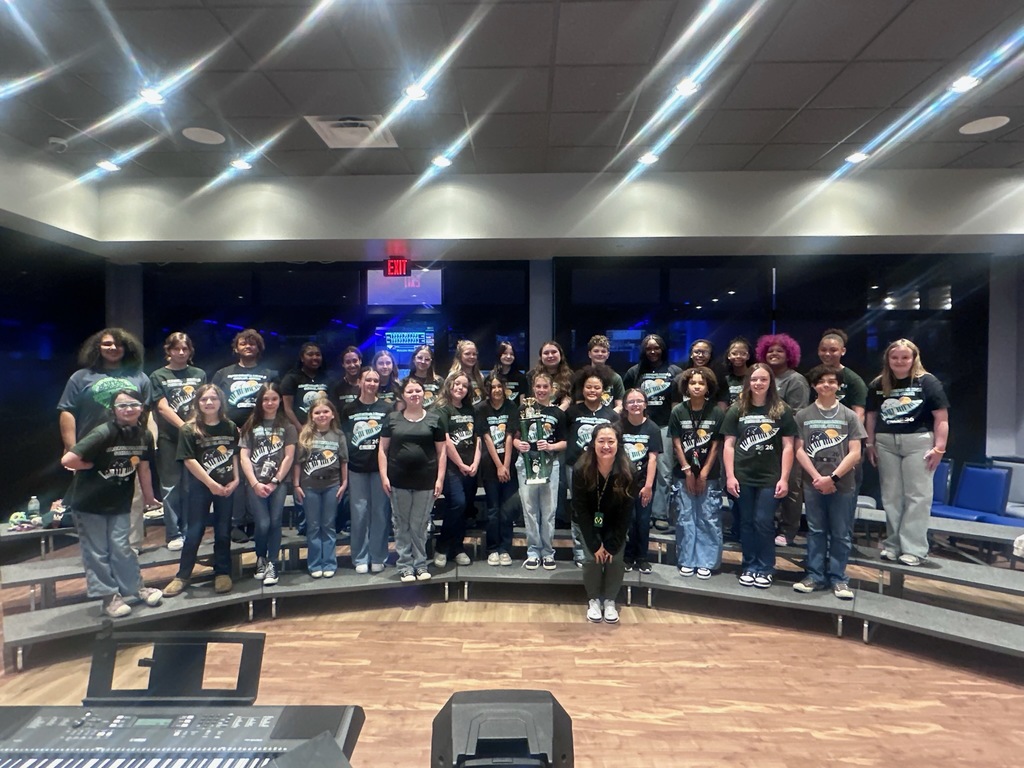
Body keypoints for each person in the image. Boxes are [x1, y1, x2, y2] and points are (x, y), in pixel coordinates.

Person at [60, 389, 163, 618]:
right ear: (113, 410)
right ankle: (109, 598)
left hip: (119, 501)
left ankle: (136, 589)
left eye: (133, 404)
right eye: (122, 406)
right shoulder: (103, 432)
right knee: (97, 552)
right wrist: (91, 466)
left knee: (123, 549)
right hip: (90, 503)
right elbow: (68, 460)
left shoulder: (145, 436)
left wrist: (148, 496)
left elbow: (143, 467)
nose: (128, 409)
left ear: (142, 408)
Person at [58, 328, 154, 553]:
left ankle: (130, 550)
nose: (113, 348)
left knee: (134, 498)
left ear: (127, 348)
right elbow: (67, 412)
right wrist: (72, 448)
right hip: (92, 451)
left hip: (127, 450)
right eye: (107, 344)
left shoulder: (139, 377)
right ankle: (97, 552)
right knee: (92, 503)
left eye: (119, 345)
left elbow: (146, 413)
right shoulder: (81, 377)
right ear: (97, 348)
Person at [865, 339, 950, 566]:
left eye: (905, 357)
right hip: (885, 442)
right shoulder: (878, 383)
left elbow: (941, 418)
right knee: (891, 497)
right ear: (888, 359)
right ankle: (893, 545)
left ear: (914, 358)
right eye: (895, 357)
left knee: (918, 497)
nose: (900, 361)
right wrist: (869, 443)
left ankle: (914, 549)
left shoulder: (927, 382)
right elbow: (871, 416)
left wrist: (940, 448)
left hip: (918, 442)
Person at [721, 363, 797, 589]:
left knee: (763, 522)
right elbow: (728, 445)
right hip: (743, 476)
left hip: (769, 477)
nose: (758, 383)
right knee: (745, 522)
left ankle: (765, 568)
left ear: (770, 382)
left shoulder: (781, 409)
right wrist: (730, 476)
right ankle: (749, 565)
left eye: (763, 379)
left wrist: (784, 478)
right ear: (748, 382)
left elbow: (788, 447)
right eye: (754, 379)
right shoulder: (738, 409)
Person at [793, 365, 866, 600]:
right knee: (815, 531)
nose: (827, 385)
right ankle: (815, 576)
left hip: (842, 484)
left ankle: (839, 579)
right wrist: (818, 478)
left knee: (841, 533)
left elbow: (855, 452)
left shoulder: (849, 415)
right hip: (813, 483)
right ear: (814, 385)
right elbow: (799, 450)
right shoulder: (803, 415)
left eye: (832, 381)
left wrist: (832, 478)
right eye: (822, 381)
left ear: (838, 385)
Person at [163, 383, 240, 597]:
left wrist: (236, 479)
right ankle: (182, 575)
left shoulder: (230, 427)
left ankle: (223, 573)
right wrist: (211, 484)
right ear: (198, 402)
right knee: (194, 531)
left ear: (220, 402)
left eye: (213, 399)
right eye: (204, 399)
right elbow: (189, 460)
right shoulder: (189, 429)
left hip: (226, 487)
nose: (209, 402)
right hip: (200, 487)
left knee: (224, 530)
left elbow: (234, 455)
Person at [212, 329, 278, 543]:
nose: (248, 346)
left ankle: (257, 521)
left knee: (259, 476)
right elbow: (216, 404)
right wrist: (232, 427)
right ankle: (237, 522)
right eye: (243, 343)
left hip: (262, 433)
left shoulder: (270, 374)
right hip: (232, 433)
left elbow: (274, 404)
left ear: (259, 347)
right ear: (236, 347)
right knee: (238, 479)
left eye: (253, 343)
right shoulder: (223, 374)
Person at [378, 377, 447, 582]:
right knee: (402, 524)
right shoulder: (392, 419)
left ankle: (420, 563)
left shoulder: (435, 419)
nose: (414, 394)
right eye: (410, 391)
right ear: (403, 395)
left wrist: (439, 479)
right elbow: (382, 449)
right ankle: (405, 565)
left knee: (420, 524)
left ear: (424, 393)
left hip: (426, 481)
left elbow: (442, 452)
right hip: (398, 480)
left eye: (418, 390)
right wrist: (384, 476)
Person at [572, 424, 634, 624]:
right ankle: (593, 600)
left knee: (615, 559)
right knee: (592, 559)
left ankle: (609, 600)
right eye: (601, 441)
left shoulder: (628, 470)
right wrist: (595, 543)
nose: (606, 446)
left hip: (615, 523)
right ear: (593, 444)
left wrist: (612, 544)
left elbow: (626, 512)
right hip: (588, 522)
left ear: (618, 444)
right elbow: (580, 510)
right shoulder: (580, 469)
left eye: (611, 441)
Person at [149, 332, 205, 551]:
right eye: (176, 349)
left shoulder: (199, 374)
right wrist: (185, 427)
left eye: (185, 349)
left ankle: (192, 530)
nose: (181, 353)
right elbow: (161, 407)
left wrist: (193, 428)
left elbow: (205, 402)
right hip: (169, 439)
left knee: (193, 486)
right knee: (171, 487)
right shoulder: (158, 376)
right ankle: (173, 533)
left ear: (190, 351)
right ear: (168, 350)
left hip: (195, 439)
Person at [669, 367, 726, 579]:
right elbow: (676, 442)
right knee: (685, 517)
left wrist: (703, 473)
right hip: (683, 472)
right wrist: (687, 470)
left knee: (708, 517)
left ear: (707, 387)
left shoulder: (716, 412)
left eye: (701, 384)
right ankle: (686, 559)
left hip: (708, 474)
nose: (696, 386)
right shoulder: (678, 411)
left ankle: (706, 561)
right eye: (693, 383)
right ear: (686, 386)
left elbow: (715, 445)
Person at [622, 333, 681, 532]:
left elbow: (676, 403)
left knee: (663, 472)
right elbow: (627, 400)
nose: (653, 351)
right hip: (637, 427)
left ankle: (659, 514)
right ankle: (639, 512)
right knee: (635, 470)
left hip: (663, 427)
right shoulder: (634, 372)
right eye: (649, 348)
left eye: (656, 348)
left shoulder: (674, 371)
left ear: (663, 349)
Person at [239, 383, 297, 587]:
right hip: (255, 483)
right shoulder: (251, 425)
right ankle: (260, 557)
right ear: (260, 401)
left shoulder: (287, 426)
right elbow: (244, 457)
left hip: (277, 483)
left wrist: (274, 481)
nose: (270, 403)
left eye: (274, 398)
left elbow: (289, 457)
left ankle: (272, 562)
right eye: (266, 399)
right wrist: (254, 483)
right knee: (262, 523)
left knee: (275, 522)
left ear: (280, 400)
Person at [756, 332, 809, 546]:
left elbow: (797, 414)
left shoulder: (796, 380)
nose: (774, 354)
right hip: (764, 443)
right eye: (770, 351)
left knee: (791, 486)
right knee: (770, 485)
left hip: (789, 441)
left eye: (779, 351)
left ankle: (788, 530)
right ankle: (768, 526)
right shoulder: (762, 377)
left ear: (789, 354)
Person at [512, 372, 567, 570]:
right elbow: (514, 436)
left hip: (550, 464)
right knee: (530, 509)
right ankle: (533, 551)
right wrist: (520, 445)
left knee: (549, 510)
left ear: (552, 389)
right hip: (526, 463)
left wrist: (550, 447)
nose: (542, 390)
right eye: (538, 386)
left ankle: (548, 552)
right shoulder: (523, 409)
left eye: (545, 386)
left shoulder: (557, 413)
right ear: (533, 388)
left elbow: (564, 442)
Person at [341, 367, 394, 573]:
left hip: (380, 469)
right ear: (360, 382)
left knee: (380, 513)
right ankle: (360, 556)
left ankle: (378, 555)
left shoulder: (387, 408)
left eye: (375, 380)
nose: (372, 384)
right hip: (356, 467)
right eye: (368, 380)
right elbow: (343, 441)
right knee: (359, 513)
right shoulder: (348, 409)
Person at [566, 366, 619, 565]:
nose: (592, 391)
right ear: (582, 388)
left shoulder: (611, 415)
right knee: (579, 509)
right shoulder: (572, 412)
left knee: (598, 508)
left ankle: (597, 546)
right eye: (589, 387)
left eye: (596, 387)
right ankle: (579, 550)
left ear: (603, 390)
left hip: (601, 469)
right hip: (575, 467)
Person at [293, 397, 348, 578]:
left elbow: (343, 462)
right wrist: (296, 484)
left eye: (325, 411)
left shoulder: (339, 435)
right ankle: (315, 563)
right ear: (311, 416)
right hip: (310, 486)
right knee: (314, 526)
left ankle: (330, 562)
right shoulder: (305, 436)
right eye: (317, 412)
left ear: (332, 414)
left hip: (332, 485)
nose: (322, 415)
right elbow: (298, 463)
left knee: (328, 525)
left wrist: (344, 483)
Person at [434, 371, 481, 567]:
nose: (460, 388)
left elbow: (478, 437)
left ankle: (458, 548)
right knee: (458, 503)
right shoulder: (442, 409)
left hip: (471, 466)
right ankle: (442, 546)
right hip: (452, 466)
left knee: (465, 508)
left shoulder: (471, 409)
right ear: (449, 385)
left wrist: (475, 463)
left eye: (464, 385)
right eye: (457, 384)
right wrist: (461, 464)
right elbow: (445, 440)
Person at [477, 370, 519, 566]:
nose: (496, 390)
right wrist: (498, 466)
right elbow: (486, 438)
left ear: (504, 388)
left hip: (509, 466)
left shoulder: (512, 407)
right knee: (493, 509)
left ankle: (505, 549)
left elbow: (510, 436)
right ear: (488, 389)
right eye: (492, 387)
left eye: (499, 386)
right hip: (489, 466)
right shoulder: (481, 409)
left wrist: (506, 465)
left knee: (506, 510)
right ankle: (492, 549)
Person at [620, 389, 662, 573]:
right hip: (623, 483)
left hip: (644, 482)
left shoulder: (652, 428)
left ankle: (642, 557)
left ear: (645, 404)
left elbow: (653, 459)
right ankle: (628, 556)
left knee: (643, 521)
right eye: (631, 401)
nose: (635, 405)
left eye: (639, 401)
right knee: (629, 521)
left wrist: (648, 486)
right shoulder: (618, 426)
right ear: (625, 405)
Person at [280, 342, 330, 431]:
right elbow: (287, 409)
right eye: (310, 354)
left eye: (318, 355)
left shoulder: (327, 378)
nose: (314, 357)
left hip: (323, 429)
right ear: (302, 358)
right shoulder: (291, 378)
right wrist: (301, 430)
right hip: (299, 429)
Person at [529, 340, 573, 410]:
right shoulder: (531, 375)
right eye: (546, 353)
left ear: (561, 355)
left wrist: (557, 413)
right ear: (541, 357)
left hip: (562, 416)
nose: (550, 355)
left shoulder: (571, 376)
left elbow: (569, 401)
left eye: (554, 352)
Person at [585, 335, 624, 410]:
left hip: (609, 420)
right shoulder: (582, 376)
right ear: (589, 354)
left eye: (603, 351)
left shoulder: (616, 378)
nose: (600, 354)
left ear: (608, 355)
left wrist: (609, 416)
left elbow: (620, 405)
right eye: (596, 351)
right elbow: (578, 403)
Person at [717, 336, 752, 411]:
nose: (738, 356)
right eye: (734, 353)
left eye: (743, 354)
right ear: (729, 356)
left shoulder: (754, 377)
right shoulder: (725, 380)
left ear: (748, 356)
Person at [448, 339, 486, 406]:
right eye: (467, 354)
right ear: (459, 356)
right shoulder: (453, 376)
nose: (472, 357)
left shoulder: (480, 376)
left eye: (474, 354)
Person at [492, 341, 529, 408]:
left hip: (515, 416)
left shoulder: (521, 378)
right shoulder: (492, 376)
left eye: (511, 354)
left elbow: (522, 404)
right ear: (499, 355)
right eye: (505, 353)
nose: (508, 356)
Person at [330, 346, 364, 411]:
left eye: (355, 361)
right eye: (348, 362)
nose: (352, 365)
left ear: (360, 361)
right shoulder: (335, 387)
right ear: (343, 364)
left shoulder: (367, 384)